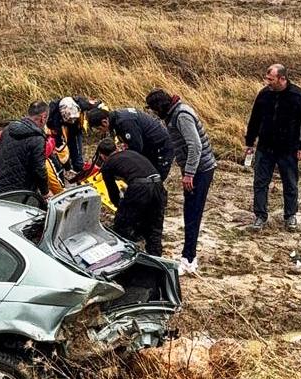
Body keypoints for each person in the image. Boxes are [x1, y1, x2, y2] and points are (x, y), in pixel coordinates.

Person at [146, 89, 218, 276]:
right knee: (189, 211)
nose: (155, 114)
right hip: (196, 169)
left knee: (192, 213)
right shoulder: (175, 113)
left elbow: (195, 146)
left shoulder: (181, 116)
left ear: (160, 107)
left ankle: (189, 260)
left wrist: (189, 173)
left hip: (201, 170)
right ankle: (189, 255)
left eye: (154, 110)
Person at [244, 64, 301, 232]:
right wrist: (250, 142)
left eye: (271, 79)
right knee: (260, 182)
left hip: (288, 149)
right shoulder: (264, 94)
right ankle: (260, 216)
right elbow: (255, 119)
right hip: (265, 148)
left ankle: (290, 216)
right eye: (267, 78)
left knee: (290, 183)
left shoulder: (298, 95)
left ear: (282, 78)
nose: (267, 82)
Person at [97, 137, 167, 256]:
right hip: (158, 184)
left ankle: (124, 257)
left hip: (140, 187)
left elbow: (113, 192)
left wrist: (121, 208)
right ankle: (156, 258)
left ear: (102, 156)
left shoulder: (108, 164)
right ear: (116, 148)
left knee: (122, 226)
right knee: (154, 228)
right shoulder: (130, 153)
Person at [86, 106, 174, 181]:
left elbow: (136, 148)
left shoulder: (125, 122)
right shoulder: (115, 119)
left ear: (104, 122)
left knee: (154, 179)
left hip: (160, 147)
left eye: (99, 129)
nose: (101, 132)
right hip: (149, 146)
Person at [0, 101, 51, 197]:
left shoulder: (7, 129)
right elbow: (39, 169)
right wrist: (45, 192)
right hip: (21, 192)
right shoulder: (37, 139)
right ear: (43, 117)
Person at [46, 96, 105, 172]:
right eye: (70, 120)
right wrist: (66, 165)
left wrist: (102, 113)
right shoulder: (54, 119)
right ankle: (66, 166)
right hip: (62, 128)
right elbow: (59, 144)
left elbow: (99, 105)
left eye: (74, 119)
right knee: (61, 146)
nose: (72, 121)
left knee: (76, 145)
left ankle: (78, 167)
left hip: (76, 127)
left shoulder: (82, 103)